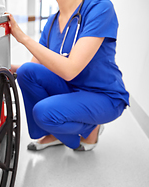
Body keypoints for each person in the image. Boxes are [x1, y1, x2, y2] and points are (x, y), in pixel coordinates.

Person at [8, 0, 129, 151]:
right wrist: (8, 67)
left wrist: (24, 39)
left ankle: (90, 129)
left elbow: (70, 70)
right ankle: (56, 132)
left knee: (43, 113)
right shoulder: (52, 22)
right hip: (70, 88)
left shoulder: (100, 7)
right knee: (26, 72)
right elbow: (35, 68)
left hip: (103, 94)